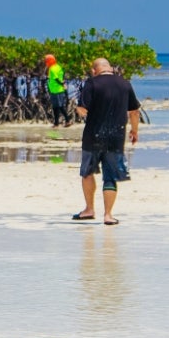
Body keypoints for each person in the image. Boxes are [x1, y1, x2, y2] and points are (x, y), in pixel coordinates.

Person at [73, 57, 140, 225]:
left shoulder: (92, 83)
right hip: (116, 138)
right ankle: (108, 215)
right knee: (110, 177)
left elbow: (82, 109)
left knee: (87, 172)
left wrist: (78, 109)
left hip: (93, 136)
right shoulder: (125, 84)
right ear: (110, 68)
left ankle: (89, 209)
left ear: (94, 71)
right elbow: (134, 111)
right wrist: (134, 131)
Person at [44, 53, 70, 128]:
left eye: (47, 60)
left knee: (59, 107)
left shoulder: (52, 68)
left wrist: (62, 84)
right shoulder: (58, 66)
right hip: (55, 90)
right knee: (56, 107)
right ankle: (57, 123)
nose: (46, 62)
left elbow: (56, 79)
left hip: (57, 90)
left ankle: (65, 121)